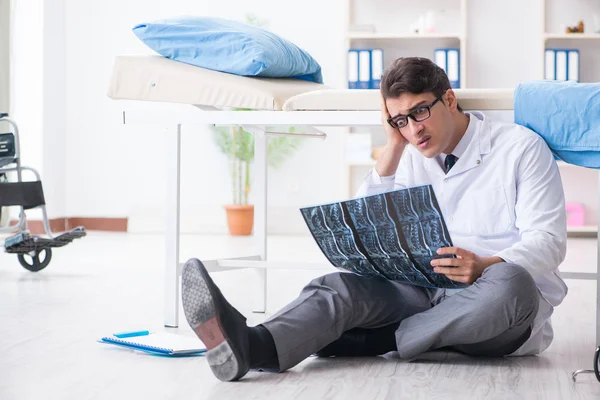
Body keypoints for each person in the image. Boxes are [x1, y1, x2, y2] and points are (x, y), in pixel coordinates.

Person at [181, 57, 568, 382]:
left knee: (511, 282)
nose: (414, 128)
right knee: (340, 287)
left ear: (449, 99)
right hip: (422, 292)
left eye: (420, 112)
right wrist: (393, 148)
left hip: (491, 309)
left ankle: (375, 340)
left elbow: (549, 240)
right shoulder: (411, 150)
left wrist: (484, 265)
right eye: (400, 120)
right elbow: (369, 223)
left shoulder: (520, 147)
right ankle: (253, 345)